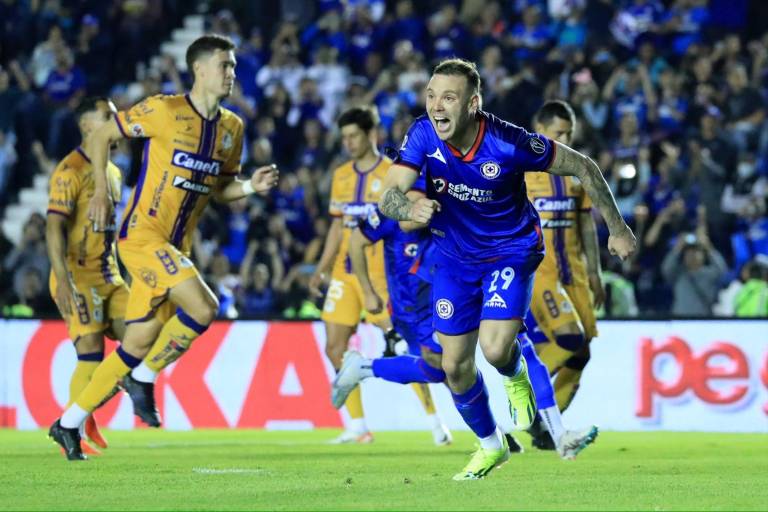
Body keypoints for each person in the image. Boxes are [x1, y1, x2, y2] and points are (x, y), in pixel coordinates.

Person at [378, 58, 635, 480]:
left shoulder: (508, 142)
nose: (436, 106)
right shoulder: (422, 133)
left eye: (448, 97)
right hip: (455, 260)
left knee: (497, 349)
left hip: (510, 252)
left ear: (473, 103)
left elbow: (584, 167)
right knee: (454, 366)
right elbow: (388, 197)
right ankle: (490, 445)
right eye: (431, 96)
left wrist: (618, 228)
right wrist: (408, 205)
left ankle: (515, 375)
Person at [49, 34, 279, 460]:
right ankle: (145, 377)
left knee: (137, 341)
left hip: (177, 247)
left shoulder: (233, 128)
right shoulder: (163, 110)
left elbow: (221, 188)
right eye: (224, 65)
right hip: (141, 237)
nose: (231, 72)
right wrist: (100, 190)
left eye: (233, 66)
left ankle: (67, 423)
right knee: (205, 307)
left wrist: (250, 186)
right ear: (200, 70)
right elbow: (101, 136)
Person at [309, 106, 420, 444]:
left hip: (382, 278)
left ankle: (435, 421)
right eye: (344, 137)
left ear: (372, 135)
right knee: (334, 348)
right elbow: (336, 226)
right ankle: (357, 426)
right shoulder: (340, 174)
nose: (348, 143)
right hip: (345, 274)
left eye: (354, 135)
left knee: (405, 346)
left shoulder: (393, 173)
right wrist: (322, 267)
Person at [46, 97, 127, 456]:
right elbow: (53, 229)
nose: (116, 119)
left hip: (110, 275)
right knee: (91, 353)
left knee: (146, 339)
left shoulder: (114, 171)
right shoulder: (69, 171)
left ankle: (85, 408)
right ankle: (71, 431)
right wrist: (62, 280)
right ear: (87, 127)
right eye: (108, 116)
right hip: (78, 276)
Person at [523, 100, 605, 449]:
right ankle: (525, 401)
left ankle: (545, 426)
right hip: (540, 271)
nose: (566, 138)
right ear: (539, 129)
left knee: (582, 353)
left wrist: (596, 272)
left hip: (575, 271)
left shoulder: (577, 169)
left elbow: (585, 222)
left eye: (569, 132)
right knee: (570, 339)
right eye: (559, 132)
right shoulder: (520, 170)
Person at [335, 201, 452, 446]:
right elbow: (355, 242)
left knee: (446, 370)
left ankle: (365, 367)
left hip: (440, 303)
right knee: (447, 369)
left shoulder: (447, 198)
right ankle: (480, 434)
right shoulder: (390, 209)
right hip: (408, 308)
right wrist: (367, 291)